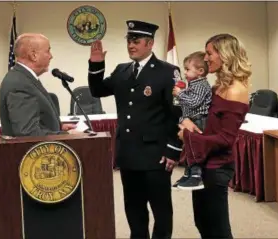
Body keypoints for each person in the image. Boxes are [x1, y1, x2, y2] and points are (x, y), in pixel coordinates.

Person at [88, 20, 182, 239]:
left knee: (161, 209)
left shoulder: (168, 72)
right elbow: (97, 90)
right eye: (129, 40)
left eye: (136, 41)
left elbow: (176, 114)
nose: (131, 45)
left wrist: (173, 149)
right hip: (129, 153)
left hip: (156, 154)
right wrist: (96, 65)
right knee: (134, 207)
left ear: (149, 44)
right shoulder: (122, 71)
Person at [177, 33, 251, 239]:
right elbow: (207, 122)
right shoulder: (219, 86)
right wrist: (189, 123)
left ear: (225, 55)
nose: (206, 58)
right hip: (204, 161)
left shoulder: (236, 91)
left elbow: (226, 139)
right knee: (202, 222)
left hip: (217, 166)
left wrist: (188, 137)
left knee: (218, 230)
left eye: (209, 53)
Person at [0, 33, 77, 137]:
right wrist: (65, 135)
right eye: (48, 51)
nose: (51, 56)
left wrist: (59, 128)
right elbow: (28, 133)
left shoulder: (24, 78)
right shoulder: (20, 84)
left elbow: (36, 121)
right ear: (33, 55)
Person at [171, 51, 212, 190]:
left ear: (200, 71)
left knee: (195, 149)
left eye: (188, 69)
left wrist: (180, 94)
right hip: (190, 120)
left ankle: (196, 176)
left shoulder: (201, 85)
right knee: (188, 148)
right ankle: (188, 173)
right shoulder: (193, 84)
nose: (185, 72)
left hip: (199, 121)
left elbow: (194, 102)